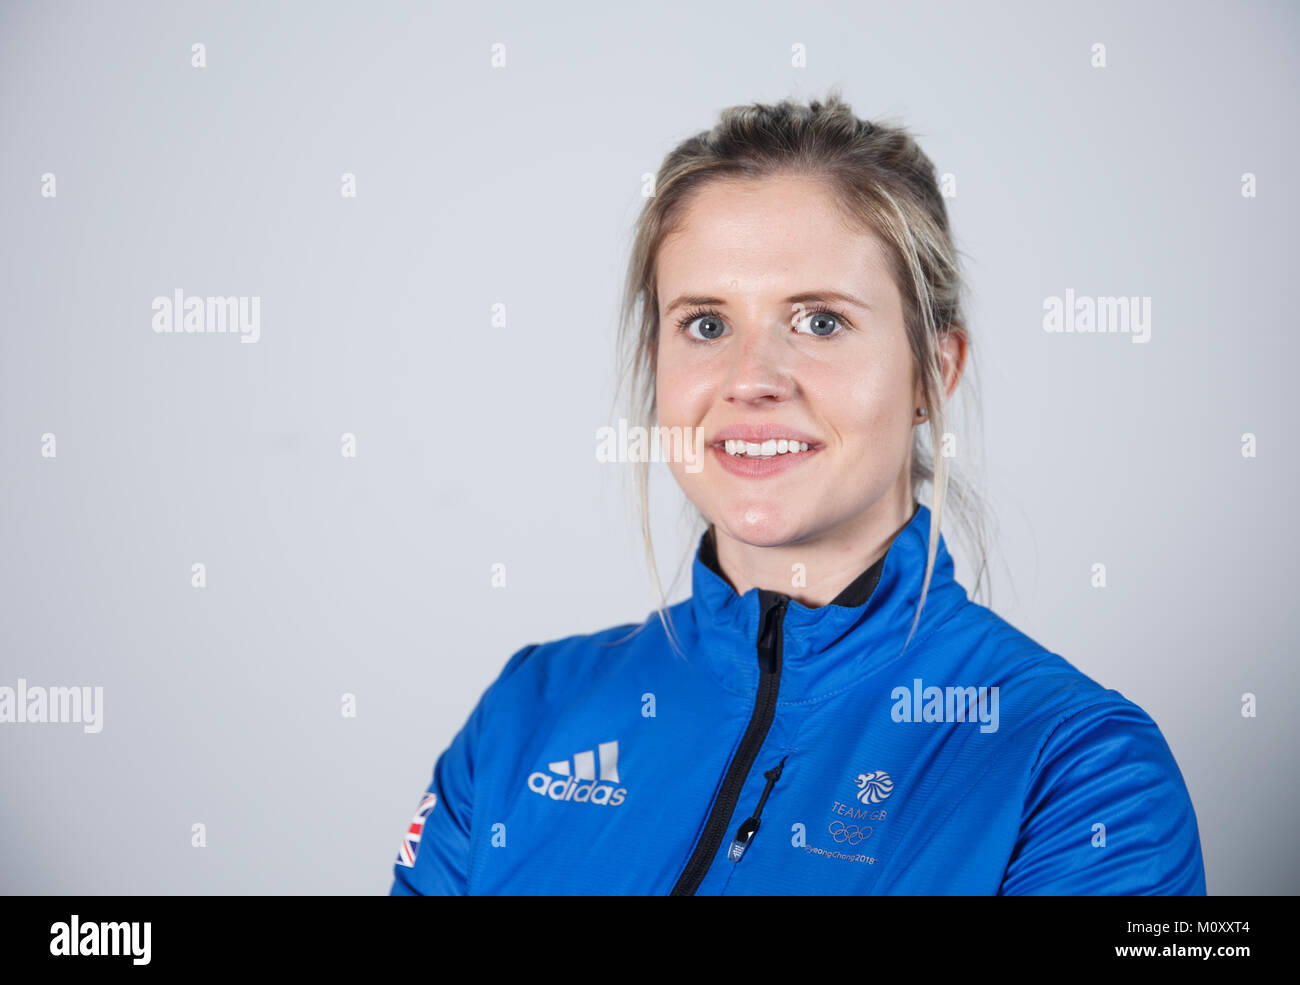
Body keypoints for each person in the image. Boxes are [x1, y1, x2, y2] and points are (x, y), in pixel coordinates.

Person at [390, 91, 1206, 895]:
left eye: (819, 321)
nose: (751, 380)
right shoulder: (528, 714)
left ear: (936, 369)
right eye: (706, 324)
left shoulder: (1081, 772)